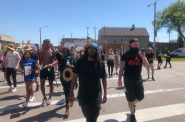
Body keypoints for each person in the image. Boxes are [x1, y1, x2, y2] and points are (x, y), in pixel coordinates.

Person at [69, 43, 107, 122]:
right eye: (89, 48)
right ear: (87, 50)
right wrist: (71, 91)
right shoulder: (80, 62)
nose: (91, 50)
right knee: (87, 116)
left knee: (93, 118)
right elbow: (74, 77)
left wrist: (105, 93)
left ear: (96, 50)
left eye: (93, 49)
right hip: (83, 95)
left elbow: (104, 79)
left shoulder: (100, 63)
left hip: (96, 95)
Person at [118, 38, 149, 122]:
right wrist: (119, 79)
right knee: (130, 99)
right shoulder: (125, 55)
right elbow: (121, 69)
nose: (137, 45)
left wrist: (143, 58)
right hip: (128, 80)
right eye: (135, 44)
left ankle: (133, 104)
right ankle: (132, 114)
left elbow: (147, 66)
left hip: (138, 79)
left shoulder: (140, 55)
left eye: (137, 44)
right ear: (130, 44)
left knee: (141, 97)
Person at [50, 45, 74, 118]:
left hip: (70, 77)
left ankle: (67, 109)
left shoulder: (71, 58)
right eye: (63, 51)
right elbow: (55, 51)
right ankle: (70, 97)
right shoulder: (60, 58)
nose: (64, 53)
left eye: (65, 51)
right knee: (66, 92)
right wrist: (50, 45)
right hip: (62, 78)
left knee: (68, 92)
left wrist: (71, 66)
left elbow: (76, 68)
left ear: (68, 52)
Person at [39, 39, 57, 107]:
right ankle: (44, 97)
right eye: (44, 43)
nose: (46, 44)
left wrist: (52, 64)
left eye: (47, 43)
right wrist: (38, 66)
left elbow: (56, 60)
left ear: (49, 43)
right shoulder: (42, 51)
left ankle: (50, 97)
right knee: (42, 84)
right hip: (43, 69)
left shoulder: (52, 50)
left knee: (51, 83)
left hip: (50, 68)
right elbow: (40, 61)